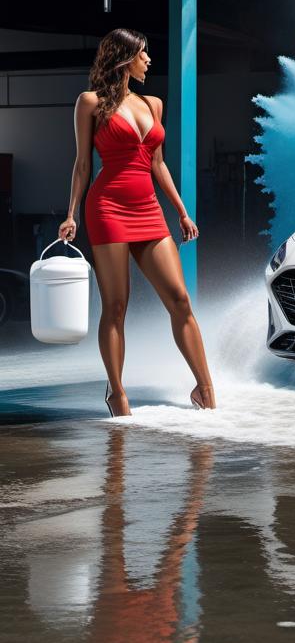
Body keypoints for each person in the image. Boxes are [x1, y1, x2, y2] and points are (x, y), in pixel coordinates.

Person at [58, 28, 216, 417]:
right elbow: (82, 165)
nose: (149, 61)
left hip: (147, 208)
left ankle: (206, 390)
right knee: (115, 307)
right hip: (107, 207)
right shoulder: (90, 103)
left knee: (179, 300)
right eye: (143, 54)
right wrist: (71, 214)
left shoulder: (154, 104)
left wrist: (181, 211)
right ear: (125, 58)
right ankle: (117, 393)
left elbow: (158, 164)